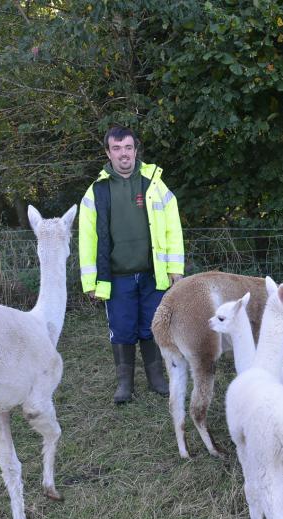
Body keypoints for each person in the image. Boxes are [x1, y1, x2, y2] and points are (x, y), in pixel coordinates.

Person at [79, 125, 185, 403]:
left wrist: (175, 270)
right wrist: (90, 283)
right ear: (108, 153)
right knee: (123, 329)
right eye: (116, 148)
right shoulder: (96, 191)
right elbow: (87, 240)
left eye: (128, 147)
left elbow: (173, 227)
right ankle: (125, 384)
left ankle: (156, 379)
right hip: (116, 277)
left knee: (152, 326)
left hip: (153, 274)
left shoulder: (154, 184)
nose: (123, 154)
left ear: (136, 150)